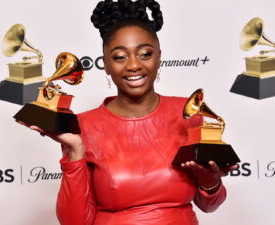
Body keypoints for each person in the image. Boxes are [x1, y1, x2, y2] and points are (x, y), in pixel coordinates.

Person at [19, 0, 237, 224]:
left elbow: (210, 205)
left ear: (159, 56)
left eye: (145, 54)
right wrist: (74, 149)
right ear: (105, 64)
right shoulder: (82, 127)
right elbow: (74, 222)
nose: (133, 65)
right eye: (120, 57)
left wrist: (210, 182)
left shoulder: (188, 114)